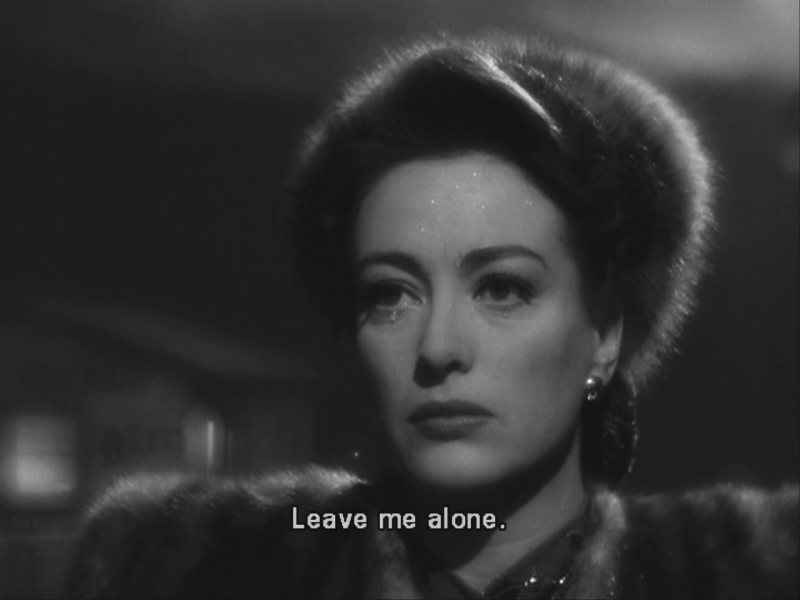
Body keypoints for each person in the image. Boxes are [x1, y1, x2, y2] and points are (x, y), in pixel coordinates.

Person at [66, 35, 798, 599]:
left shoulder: (742, 572)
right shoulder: (188, 572)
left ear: (604, 335)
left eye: (502, 288)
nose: (438, 347)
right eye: (389, 294)